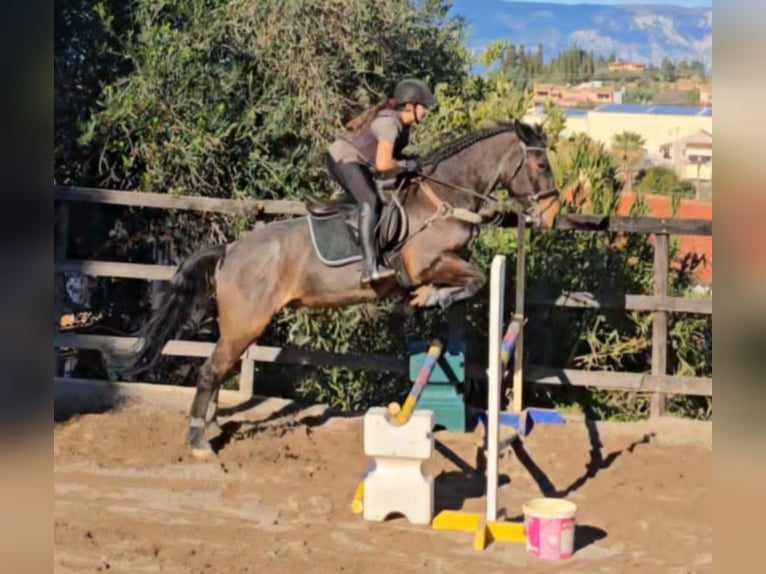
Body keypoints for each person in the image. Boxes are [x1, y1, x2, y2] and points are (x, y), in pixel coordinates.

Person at [325, 78, 435, 284]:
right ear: (410, 105)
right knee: (369, 200)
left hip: (358, 162)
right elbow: (384, 164)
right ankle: (369, 266)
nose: (426, 111)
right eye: (423, 106)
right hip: (341, 158)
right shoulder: (389, 124)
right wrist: (405, 165)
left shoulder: (404, 125)